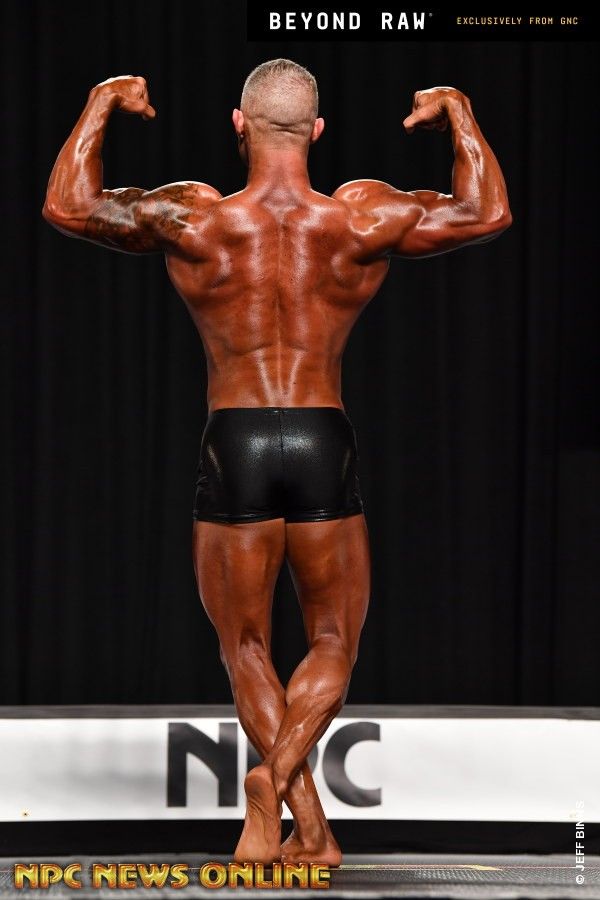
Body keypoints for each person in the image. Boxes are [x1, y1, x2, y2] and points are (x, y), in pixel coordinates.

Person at [43, 58, 511, 866]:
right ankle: (302, 811)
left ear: (239, 123)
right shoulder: (359, 217)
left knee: (245, 646)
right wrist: (460, 111)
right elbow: (487, 212)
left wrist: (101, 102)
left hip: (236, 440)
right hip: (323, 435)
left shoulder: (197, 217)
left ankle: (294, 806)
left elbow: (67, 205)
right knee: (333, 639)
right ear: (317, 130)